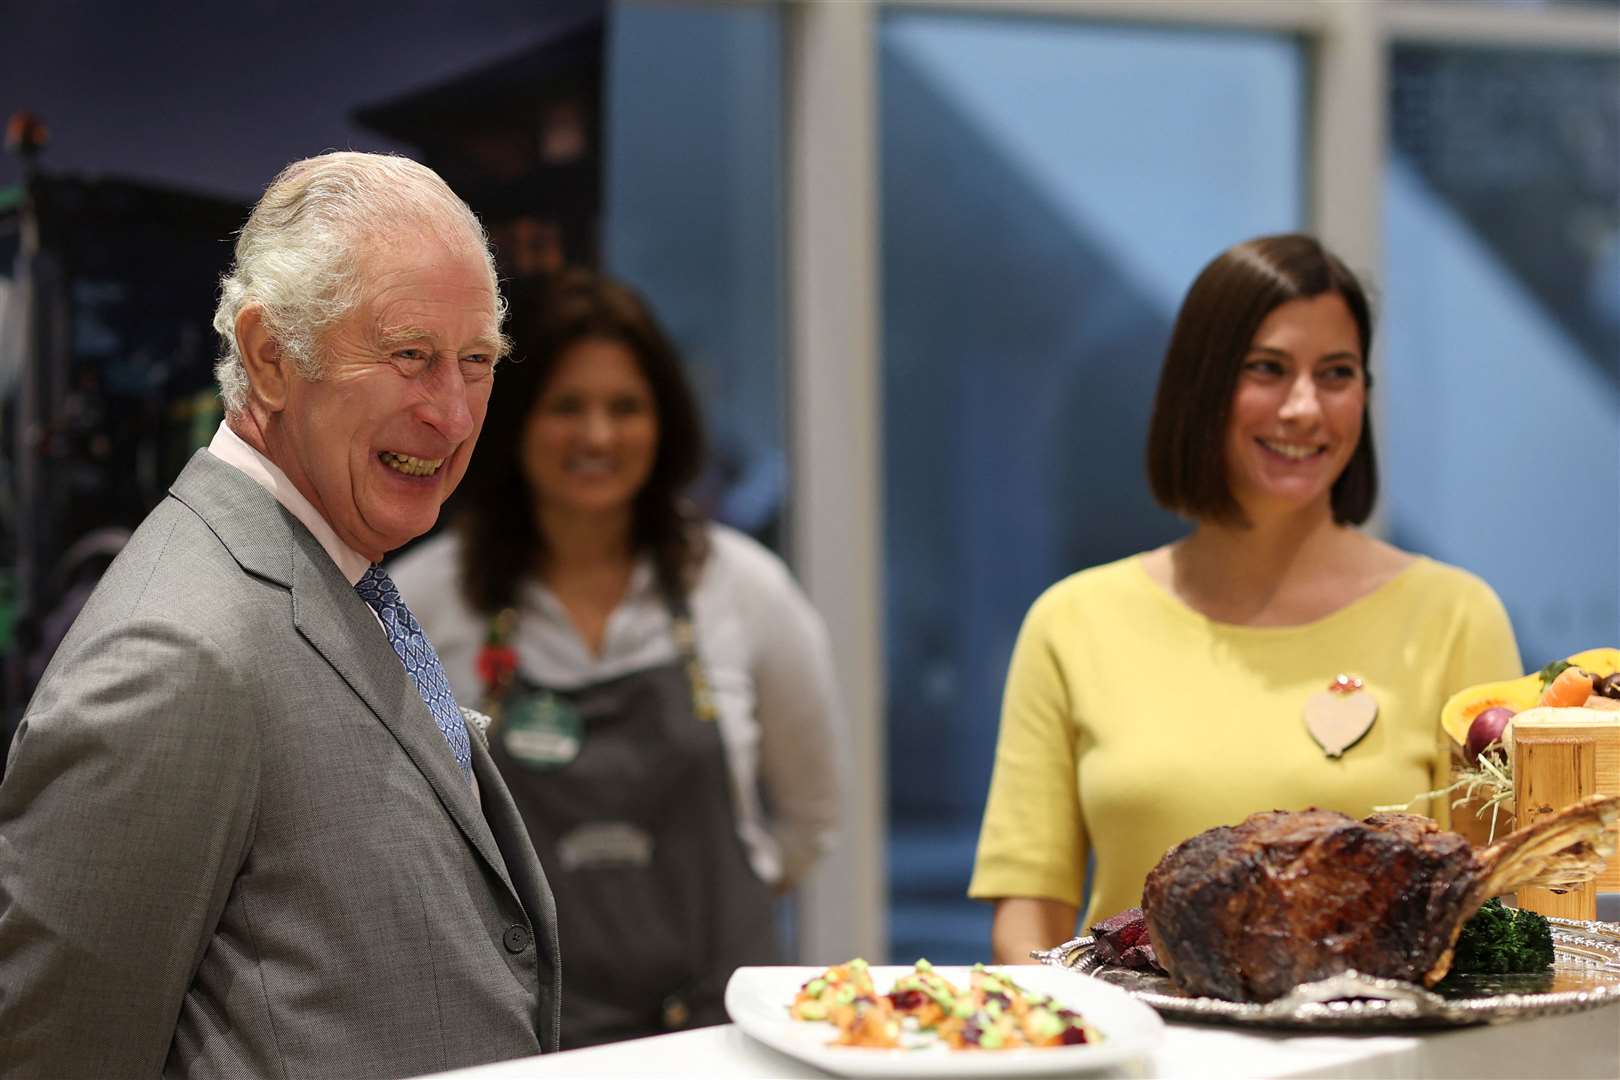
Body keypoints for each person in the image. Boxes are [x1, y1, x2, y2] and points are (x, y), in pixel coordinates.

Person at [0, 152, 562, 1077]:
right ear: (269, 358)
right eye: (411, 357)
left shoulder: (330, 574)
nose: (455, 416)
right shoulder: (176, 655)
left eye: (476, 362)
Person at [968, 233, 1522, 964]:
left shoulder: (1457, 618)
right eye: (1267, 369)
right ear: (1198, 387)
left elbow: (1496, 909)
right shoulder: (1072, 624)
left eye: (1336, 373)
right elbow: (1029, 923)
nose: (1303, 408)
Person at [389, 269, 841, 1047]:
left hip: (721, 1040)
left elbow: (811, 817)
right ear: (517, 421)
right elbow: (396, 842)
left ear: (663, 423)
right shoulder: (424, 605)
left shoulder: (744, 588)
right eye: (568, 406)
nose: (597, 436)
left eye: (625, 407)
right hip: (518, 1045)